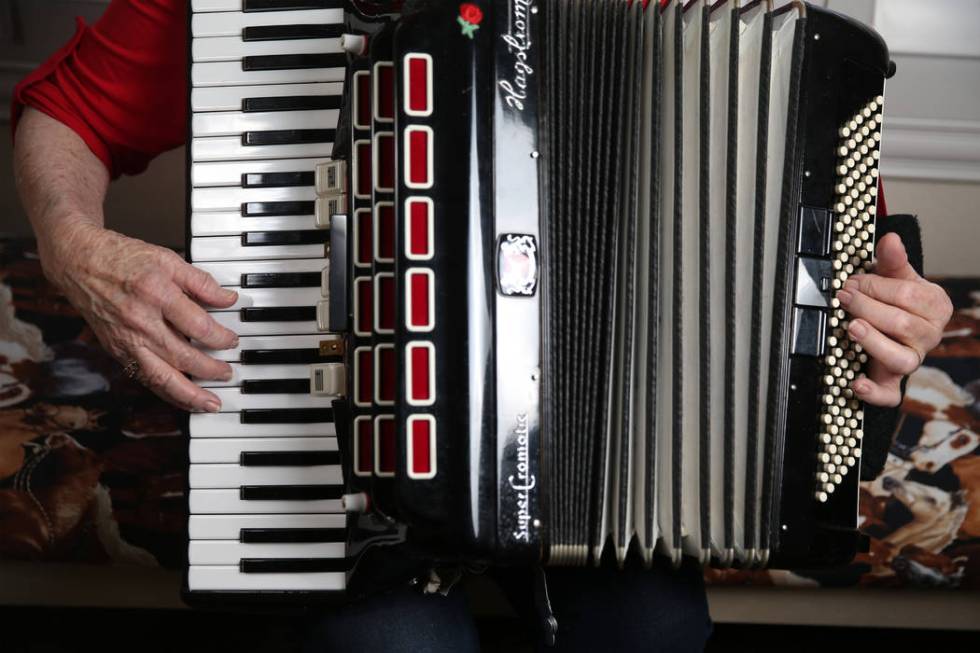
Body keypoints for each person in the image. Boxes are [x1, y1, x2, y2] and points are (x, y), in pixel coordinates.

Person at [10, 1, 953, 651]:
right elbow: (66, 112)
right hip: (333, 471)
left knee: (650, 633)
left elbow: (829, 250)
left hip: (604, 461)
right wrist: (73, 245)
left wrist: (896, 318)